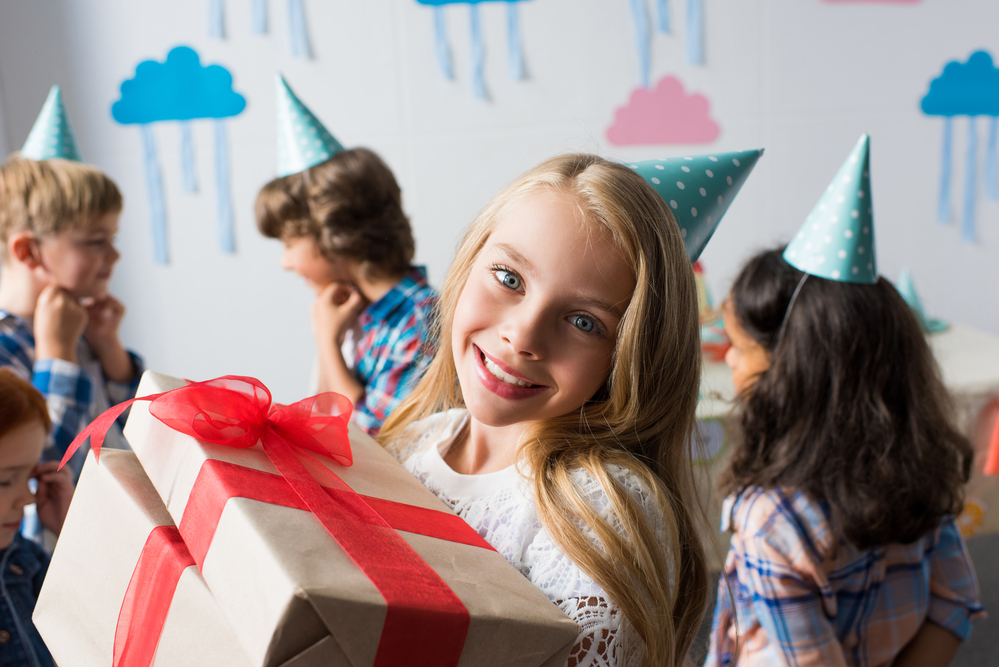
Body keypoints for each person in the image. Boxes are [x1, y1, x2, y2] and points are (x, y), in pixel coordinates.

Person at [377, 150, 760, 667]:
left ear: (626, 359)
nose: (523, 336)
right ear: (469, 263)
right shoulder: (410, 444)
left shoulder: (599, 512)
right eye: (509, 278)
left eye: (584, 321)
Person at [707, 136, 984, 667]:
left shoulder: (774, 519)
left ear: (795, 373)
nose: (732, 364)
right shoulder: (922, 466)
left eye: (740, 349)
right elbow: (955, 603)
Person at [256, 76, 435, 435]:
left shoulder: (423, 322)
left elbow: (370, 441)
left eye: (290, 243)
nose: (285, 262)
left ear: (336, 234)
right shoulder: (354, 316)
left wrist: (326, 341)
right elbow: (316, 418)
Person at [0, 87, 141, 481]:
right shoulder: (7, 349)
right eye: (96, 241)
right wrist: (58, 356)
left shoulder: (80, 325)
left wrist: (109, 347)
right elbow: (42, 469)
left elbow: (140, 439)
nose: (113, 257)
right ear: (28, 252)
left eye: (112, 239)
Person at [0, 368, 75, 667]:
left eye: (29, 476)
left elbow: (101, 626)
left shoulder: (23, 561)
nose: (29, 498)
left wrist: (69, 531)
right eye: (5, 481)